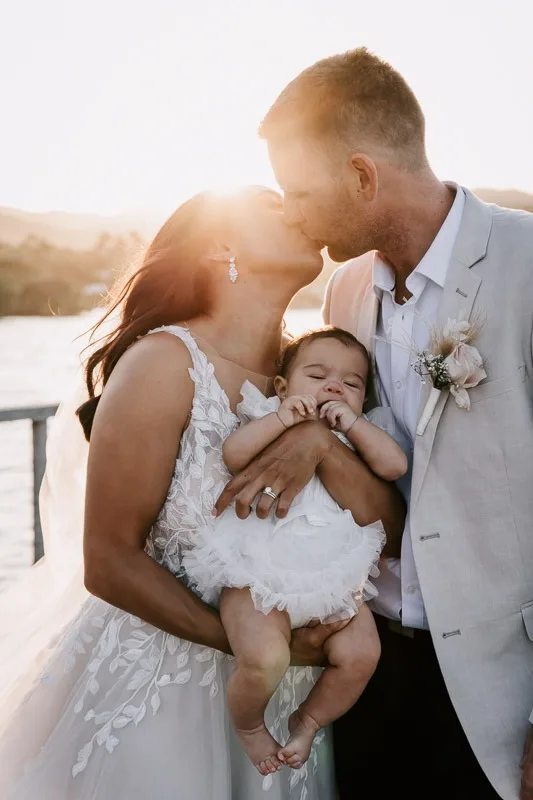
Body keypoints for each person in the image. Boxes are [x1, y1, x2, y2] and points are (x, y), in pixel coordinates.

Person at [0, 186, 404, 800]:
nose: (300, 212)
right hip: (167, 687)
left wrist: (320, 445)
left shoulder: (315, 369)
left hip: (285, 704)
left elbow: (390, 531)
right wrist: (261, 649)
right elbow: (108, 561)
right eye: (274, 209)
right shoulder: (163, 362)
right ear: (221, 247)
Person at [215, 48, 533, 800]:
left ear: (361, 177)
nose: (288, 211)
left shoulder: (526, 264)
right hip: (366, 668)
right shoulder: (347, 291)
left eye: (298, 191)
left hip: (500, 686)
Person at [184, 327, 407, 775]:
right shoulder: (269, 413)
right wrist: (283, 420)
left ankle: (307, 721)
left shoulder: (359, 433)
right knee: (265, 659)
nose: (333, 387)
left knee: (363, 655)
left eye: (352, 382)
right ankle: (249, 726)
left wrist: (354, 425)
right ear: (284, 387)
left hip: (334, 578)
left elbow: (395, 466)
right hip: (259, 572)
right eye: (318, 375)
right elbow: (233, 453)